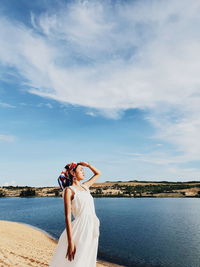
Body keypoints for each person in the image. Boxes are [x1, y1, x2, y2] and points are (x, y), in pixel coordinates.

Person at [49, 161, 102, 267]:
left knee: (87, 259)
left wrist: (88, 165)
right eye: (81, 170)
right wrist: (70, 242)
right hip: (80, 229)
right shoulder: (69, 190)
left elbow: (98, 173)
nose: (83, 172)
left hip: (92, 228)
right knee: (78, 261)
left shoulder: (85, 187)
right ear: (73, 173)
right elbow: (67, 217)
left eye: (83, 170)